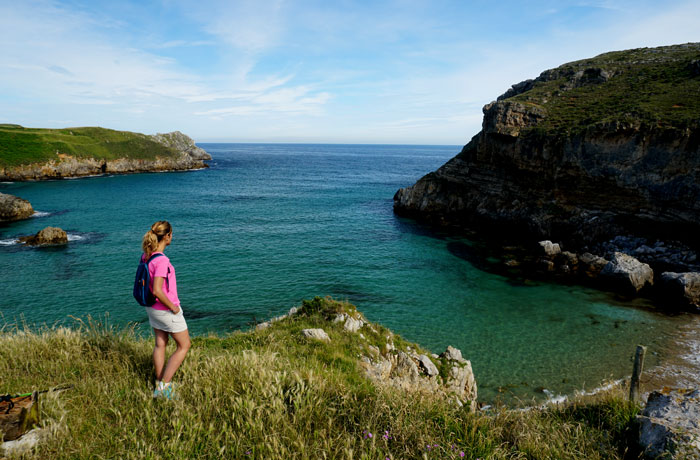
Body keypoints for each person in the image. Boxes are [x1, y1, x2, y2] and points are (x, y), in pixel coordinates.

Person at [141, 220, 190, 399]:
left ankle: (159, 382)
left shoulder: (146, 255)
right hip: (165, 309)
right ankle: (164, 388)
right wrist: (174, 308)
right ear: (167, 236)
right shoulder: (161, 260)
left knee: (160, 344)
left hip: (151, 308)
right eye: (171, 234)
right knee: (184, 345)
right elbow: (157, 289)